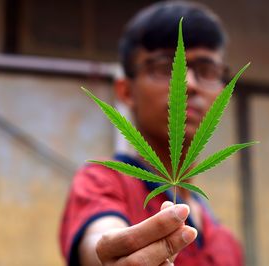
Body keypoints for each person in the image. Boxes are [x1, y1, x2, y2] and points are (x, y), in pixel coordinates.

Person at [59, 1, 244, 265]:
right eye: (164, 68)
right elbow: (100, 237)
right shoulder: (103, 182)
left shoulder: (227, 243)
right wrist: (113, 252)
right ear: (125, 91)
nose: (188, 84)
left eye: (206, 71)